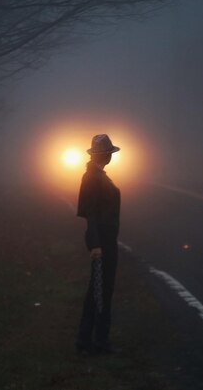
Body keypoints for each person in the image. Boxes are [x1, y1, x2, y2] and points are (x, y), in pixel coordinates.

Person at [75, 134, 121, 355]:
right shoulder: (92, 178)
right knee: (99, 292)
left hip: (107, 240)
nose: (109, 157)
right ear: (100, 155)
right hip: (101, 242)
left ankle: (88, 340)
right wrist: (95, 245)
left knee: (101, 291)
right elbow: (91, 214)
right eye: (107, 154)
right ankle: (96, 342)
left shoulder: (100, 176)